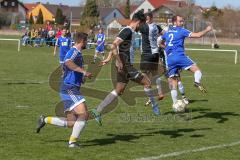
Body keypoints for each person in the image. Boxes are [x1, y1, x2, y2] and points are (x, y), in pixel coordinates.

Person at [91, 10, 161, 126]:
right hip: (126, 65)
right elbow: (113, 45)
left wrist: (109, 58)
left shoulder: (128, 31)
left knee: (119, 90)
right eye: (142, 24)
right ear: (138, 22)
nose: (142, 27)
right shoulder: (128, 30)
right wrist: (119, 61)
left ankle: (97, 110)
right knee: (147, 83)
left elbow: (115, 46)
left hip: (123, 65)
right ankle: (155, 106)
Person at [36, 32, 92, 148]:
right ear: (82, 41)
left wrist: (81, 78)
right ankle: (72, 142)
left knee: (71, 123)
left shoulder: (79, 53)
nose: (87, 43)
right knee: (84, 113)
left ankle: (44, 120)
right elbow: (67, 62)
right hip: (69, 88)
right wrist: (83, 71)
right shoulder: (74, 51)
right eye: (86, 41)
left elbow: (67, 67)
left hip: (71, 87)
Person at [161, 15, 212, 106]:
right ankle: (197, 82)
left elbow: (159, 42)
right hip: (180, 56)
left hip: (170, 59)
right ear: (174, 22)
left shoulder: (167, 32)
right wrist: (207, 29)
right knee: (197, 70)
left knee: (173, 83)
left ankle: (175, 104)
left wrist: (167, 49)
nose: (182, 23)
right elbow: (198, 35)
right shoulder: (181, 30)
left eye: (182, 21)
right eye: (180, 21)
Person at [139, 12, 164, 106]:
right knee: (155, 73)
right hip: (155, 53)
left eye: (146, 19)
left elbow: (134, 28)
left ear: (148, 19)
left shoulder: (144, 27)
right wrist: (162, 43)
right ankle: (160, 92)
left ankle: (152, 100)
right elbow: (164, 35)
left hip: (146, 53)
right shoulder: (157, 26)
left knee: (144, 78)